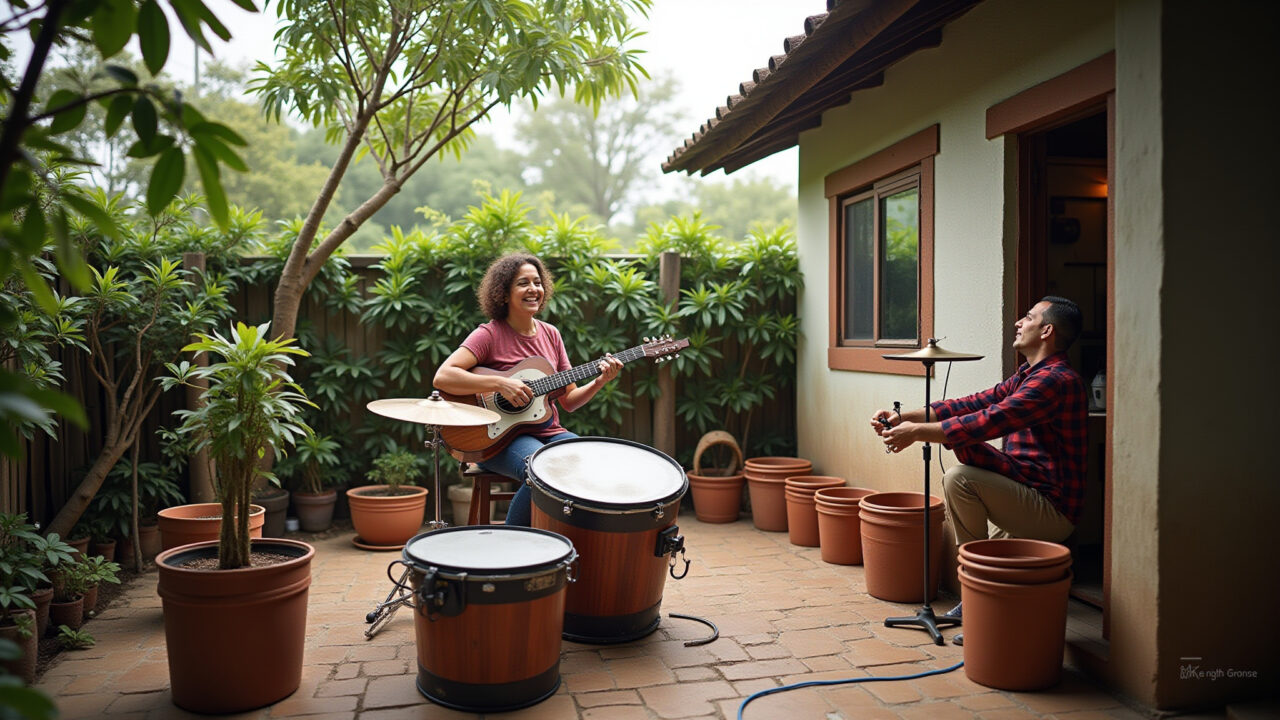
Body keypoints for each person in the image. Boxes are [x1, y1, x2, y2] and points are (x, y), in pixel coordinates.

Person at [870, 296, 1087, 632]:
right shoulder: (1030, 375)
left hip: (1052, 509)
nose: (1018, 322)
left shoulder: (1055, 380)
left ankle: (975, 592)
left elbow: (988, 421)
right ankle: (984, 601)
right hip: (1028, 489)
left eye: (1027, 318)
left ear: (1046, 331)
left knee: (960, 478)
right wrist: (904, 417)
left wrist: (917, 433)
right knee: (1001, 561)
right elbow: (971, 404)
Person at [433, 253, 622, 526]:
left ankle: (560, 542)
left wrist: (599, 382)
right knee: (541, 470)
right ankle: (512, 548)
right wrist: (500, 383)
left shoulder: (551, 334)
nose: (533, 289)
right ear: (504, 293)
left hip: (548, 431)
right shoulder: (489, 334)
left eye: (537, 282)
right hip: (497, 439)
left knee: (584, 462)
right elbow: (444, 376)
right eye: (523, 283)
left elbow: (568, 400)